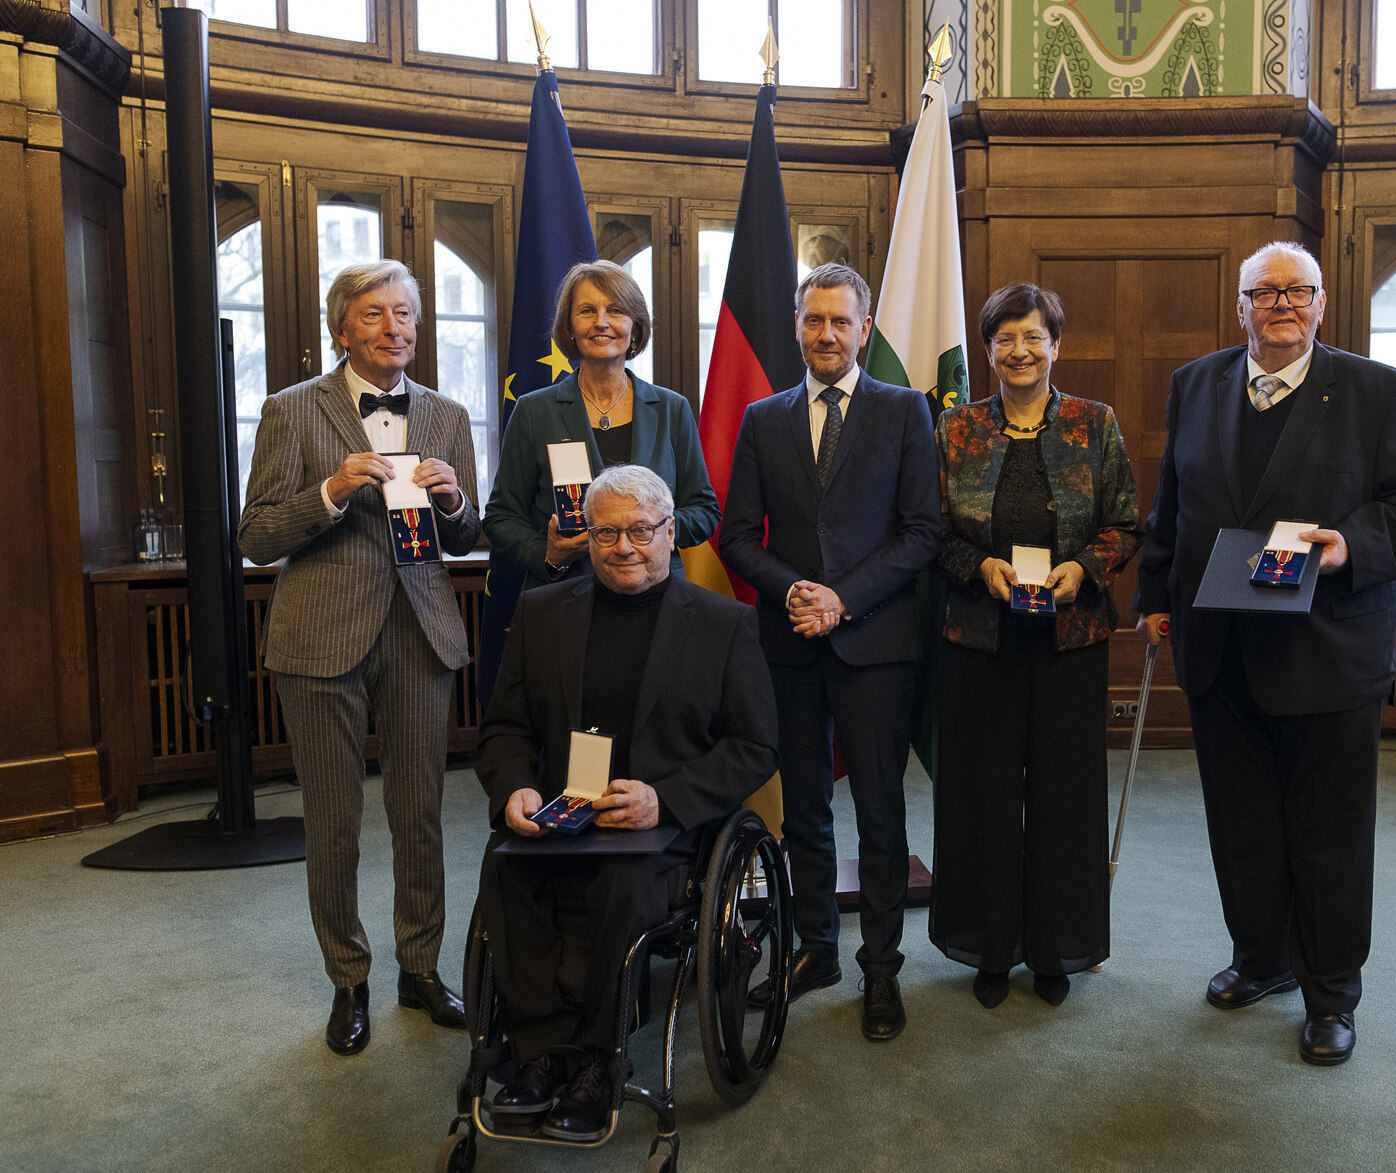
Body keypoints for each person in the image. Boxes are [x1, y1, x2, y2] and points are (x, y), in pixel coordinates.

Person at [1135, 241, 1396, 1065]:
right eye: (1263, 292)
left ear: (1320, 304)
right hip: (1220, 647)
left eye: (1296, 291)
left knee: (1328, 835)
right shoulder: (1196, 384)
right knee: (1242, 824)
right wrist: (1156, 598)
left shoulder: (1382, 391)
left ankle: (1331, 993)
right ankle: (1262, 957)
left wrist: (1348, 546)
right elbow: (1174, 500)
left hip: (1328, 651)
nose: (1281, 304)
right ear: (1240, 307)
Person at [474, 465, 778, 1142]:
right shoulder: (542, 613)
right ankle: (539, 1053)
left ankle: (597, 1063)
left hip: (661, 833)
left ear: (670, 532)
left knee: (621, 882)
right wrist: (514, 786)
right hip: (563, 812)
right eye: (606, 530)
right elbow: (504, 729)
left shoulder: (724, 624)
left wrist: (663, 799)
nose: (624, 546)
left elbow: (755, 746)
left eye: (641, 529)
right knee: (508, 869)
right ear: (586, 535)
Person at [239, 259, 480, 1056]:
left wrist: (453, 503)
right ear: (341, 328)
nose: (396, 328)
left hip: (420, 632)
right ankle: (348, 979)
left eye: (406, 314)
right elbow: (256, 538)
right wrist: (331, 491)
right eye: (376, 314)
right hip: (320, 640)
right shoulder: (290, 411)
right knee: (334, 822)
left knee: (419, 814)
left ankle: (421, 967)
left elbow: (465, 534)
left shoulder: (447, 414)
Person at [720, 262, 939, 1042]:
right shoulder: (762, 418)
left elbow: (922, 531)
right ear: (797, 325)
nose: (825, 334)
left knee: (881, 811)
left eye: (840, 321)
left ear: (865, 328)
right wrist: (797, 593)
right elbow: (739, 535)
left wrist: (843, 598)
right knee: (805, 809)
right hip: (789, 644)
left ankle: (882, 968)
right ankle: (818, 948)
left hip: (877, 642)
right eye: (814, 320)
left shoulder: (906, 410)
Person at [929, 283, 1141, 1008]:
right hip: (979, 641)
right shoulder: (956, 430)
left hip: (1068, 640)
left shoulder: (1094, 424)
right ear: (987, 351)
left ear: (1056, 343)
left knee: (1063, 796)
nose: (1020, 351)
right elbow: (933, 533)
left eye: (1033, 336)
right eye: (1004, 339)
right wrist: (977, 567)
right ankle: (990, 946)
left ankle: (1054, 948)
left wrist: (1083, 570)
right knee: (982, 794)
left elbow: (1126, 522)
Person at [484, 259, 719, 591]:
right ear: (569, 327)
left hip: (657, 592)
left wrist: (649, 532)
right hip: (566, 592)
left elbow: (705, 510)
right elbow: (501, 516)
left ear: (635, 328)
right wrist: (549, 555)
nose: (601, 323)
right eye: (586, 311)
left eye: (616, 311)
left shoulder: (672, 409)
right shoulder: (533, 411)